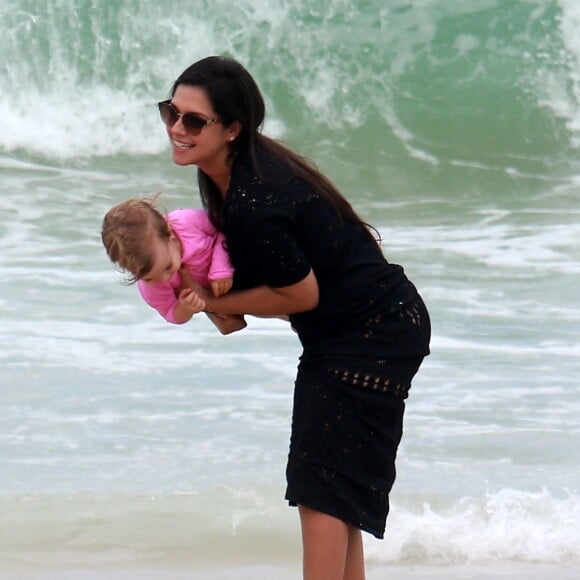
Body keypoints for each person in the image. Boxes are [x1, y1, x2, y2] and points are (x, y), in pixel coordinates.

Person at [157, 55, 431, 580]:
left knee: (321, 488)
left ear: (232, 128)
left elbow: (300, 296)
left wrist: (213, 302)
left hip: (370, 331)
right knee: (333, 490)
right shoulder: (235, 177)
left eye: (193, 120)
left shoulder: (253, 198)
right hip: (376, 322)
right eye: (171, 111)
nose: (176, 127)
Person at [101, 194, 246, 334]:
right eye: (149, 278)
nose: (164, 278)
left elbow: (224, 229)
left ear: (169, 232)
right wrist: (186, 308)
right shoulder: (151, 287)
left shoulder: (186, 222)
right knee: (230, 321)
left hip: (237, 267)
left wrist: (221, 268)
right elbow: (170, 313)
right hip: (216, 296)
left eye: (167, 267)